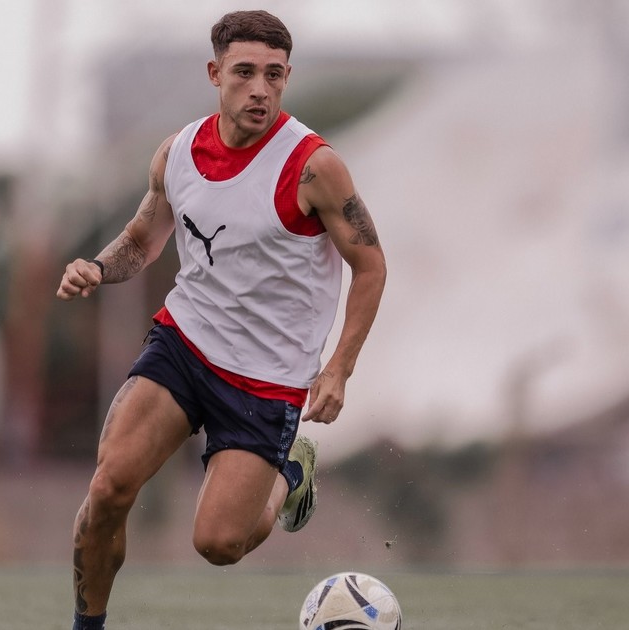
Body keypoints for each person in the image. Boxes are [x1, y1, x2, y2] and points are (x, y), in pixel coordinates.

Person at [54, 10, 387, 630]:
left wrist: (339, 369)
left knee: (218, 544)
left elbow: (370, 266)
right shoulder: (177, 152)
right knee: (107, 490)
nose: (260, 89)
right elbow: (142, 239)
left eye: (274, 75)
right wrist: (97, 268)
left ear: (287, 77)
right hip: (185, 344)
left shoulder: (313, 166)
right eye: (245, 72)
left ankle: (290, 473)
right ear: (215, 74)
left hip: (266, 380)